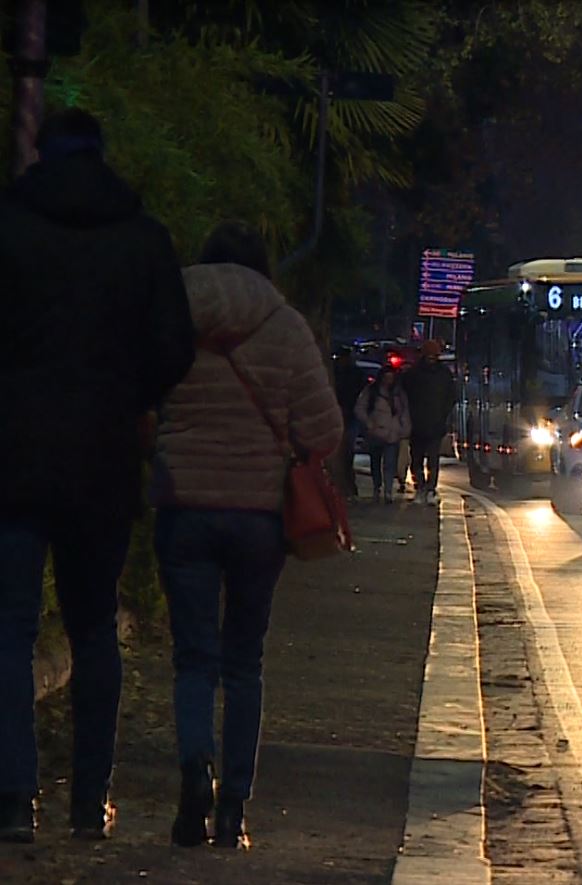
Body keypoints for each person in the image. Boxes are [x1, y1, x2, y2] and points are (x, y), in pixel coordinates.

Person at [0, 109, 195, 843]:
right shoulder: (140, 239)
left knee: (10, 628)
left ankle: (15, 796)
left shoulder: (9, 226)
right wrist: (127, 393)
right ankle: (89, 799)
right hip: (102, 459)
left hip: (12, 456)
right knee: (94, 628)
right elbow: (175, 346)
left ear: (39, 154)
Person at [151, 222, 343, 849]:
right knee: (244, 661)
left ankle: (193, 771)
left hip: (184, 507)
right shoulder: (284, 325)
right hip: (260, 516)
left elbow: (136, 398)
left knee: (193, 658)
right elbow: (326, 429)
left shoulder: (170, 311)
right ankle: (234, 805)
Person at [401, 340, 457, 506]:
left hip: (431, 423)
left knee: (429, 459)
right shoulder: (418, 374)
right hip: (421, 423)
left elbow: (451, 397)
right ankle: (423, 488)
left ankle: (428, 489)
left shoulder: (419, 373)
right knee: (419, 459)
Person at [355, 368, 412, 503]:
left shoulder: (399, 394)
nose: (388, 381)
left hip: (393, 433)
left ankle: (387, 490)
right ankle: (377, 486)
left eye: (391, 378)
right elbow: (360, 408)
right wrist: (369, 423)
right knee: (375, 462)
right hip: (376, 432)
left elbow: (405, 412)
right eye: (386, 377)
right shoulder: (372, 392)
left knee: (390, 463)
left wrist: (404, 428)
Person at [332, 350, 368, 499]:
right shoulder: (353, 374)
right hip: (346, 414)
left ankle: (347, 485)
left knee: (345, 452)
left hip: (347, 414)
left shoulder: (344, 374)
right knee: (345, 452)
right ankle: (348, 485)